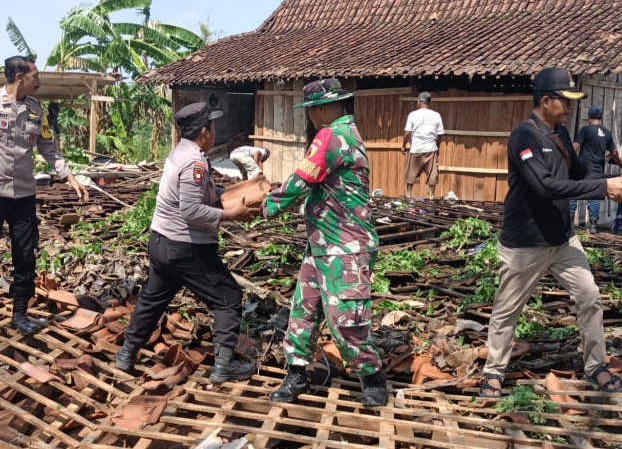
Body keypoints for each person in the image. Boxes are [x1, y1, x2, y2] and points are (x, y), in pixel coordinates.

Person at [480, 67, 622, 398]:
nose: (570, 107)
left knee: (590, 296)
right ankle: (493, 371)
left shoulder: (561, 132)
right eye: (564, 101)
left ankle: (596, 366)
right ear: (546, 100)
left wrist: (621, 178)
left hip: (563, 239)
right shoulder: (524, 137)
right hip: (526, 242)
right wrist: (603, 188)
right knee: (507, 309)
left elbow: (578, 173)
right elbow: (545, 185)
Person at [261, 78, 387, 407]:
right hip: (323, 243)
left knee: (346, 317)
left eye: (313, 111)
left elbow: (301, 180)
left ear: (319, 109)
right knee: (304, 310)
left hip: (344, 246)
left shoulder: (331, 136)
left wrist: (269, 205)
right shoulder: (347, 133)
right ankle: (296, 373)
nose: (312, 117)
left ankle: (372, 377)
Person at [115, 102, 255, 383]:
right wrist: (231, 214)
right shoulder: (194, 162)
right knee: (228, 298)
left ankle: (126, 354)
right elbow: (190, 210)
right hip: (185, 247)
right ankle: (223, 367)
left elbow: (198, 193)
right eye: (212, 126)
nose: (215, 130)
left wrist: (229, 190)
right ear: (204, 130)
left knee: (153, 299)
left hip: (161, 242)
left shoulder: (181, 152)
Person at [1, 55, 89, 336]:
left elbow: (48, 148)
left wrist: (69, 176)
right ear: (19, 77)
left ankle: (19, 314)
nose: (39, 81)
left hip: (23, 195)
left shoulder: (36, 110)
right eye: (35, 76)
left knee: (25, 255)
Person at [569, 105, 618, 233]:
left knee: (573, 193)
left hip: (581, 169)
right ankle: (592, 225)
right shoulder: (607, 133)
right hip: (597, 170)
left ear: (589, 117)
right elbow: (614, 152)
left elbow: (575, 147)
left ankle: (569, 224)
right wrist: (616, 159)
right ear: (601, 118)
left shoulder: (585, 130)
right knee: (594, 196)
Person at [402, 92, 444, 199]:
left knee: (411, 175)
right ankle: (431, 196)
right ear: (429, 103)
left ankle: (408, 195)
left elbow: (407, 133)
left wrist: (403, 145)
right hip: (431, 149)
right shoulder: (436, 115)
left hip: (416, 148)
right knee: (432, 174)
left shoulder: (413, 115)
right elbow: (440, 135)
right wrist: (437, 147)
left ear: (418, 102)